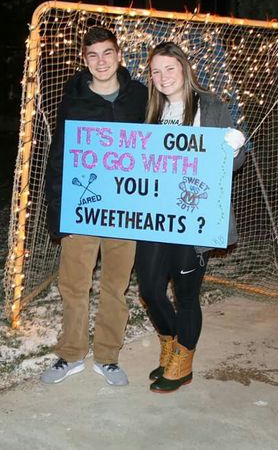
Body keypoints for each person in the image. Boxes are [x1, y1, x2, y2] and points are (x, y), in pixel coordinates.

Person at [134, 42, 246, 393]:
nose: (163, 77)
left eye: (169, 68)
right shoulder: (150, 109)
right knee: (150, 289)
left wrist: (235, 147)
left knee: (186, 294)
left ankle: (183, 360)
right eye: (156, 71)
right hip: (155, 214)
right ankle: (170, 341)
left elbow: (233, 164)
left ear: (184, 69)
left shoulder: (211, 106)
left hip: (194, 215)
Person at [41, 27, 148, 386]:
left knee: (115, 286)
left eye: (107, 53)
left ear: (119, 55)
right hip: (82, 205)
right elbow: (59, 156)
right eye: (93, 55)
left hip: (125, 209)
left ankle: (108, 356)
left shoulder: (140, 98)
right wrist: (57, 209)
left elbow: (160, 147)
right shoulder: (73, 101)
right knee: (74, 284)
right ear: (84, 61)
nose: (101, 61)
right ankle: (71, 353)